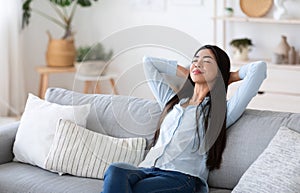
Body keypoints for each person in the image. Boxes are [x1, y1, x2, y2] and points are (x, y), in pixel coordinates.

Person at [101, 45, 267, 193]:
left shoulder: (220, 112)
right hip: (146, 170)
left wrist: (229, 76)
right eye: (195, 60)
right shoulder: (172, 102)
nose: (198, 64)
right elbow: (149, 63)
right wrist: (187, 71)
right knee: (116, 169)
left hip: (180, 177)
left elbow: (259, 68)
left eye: (207, 61)